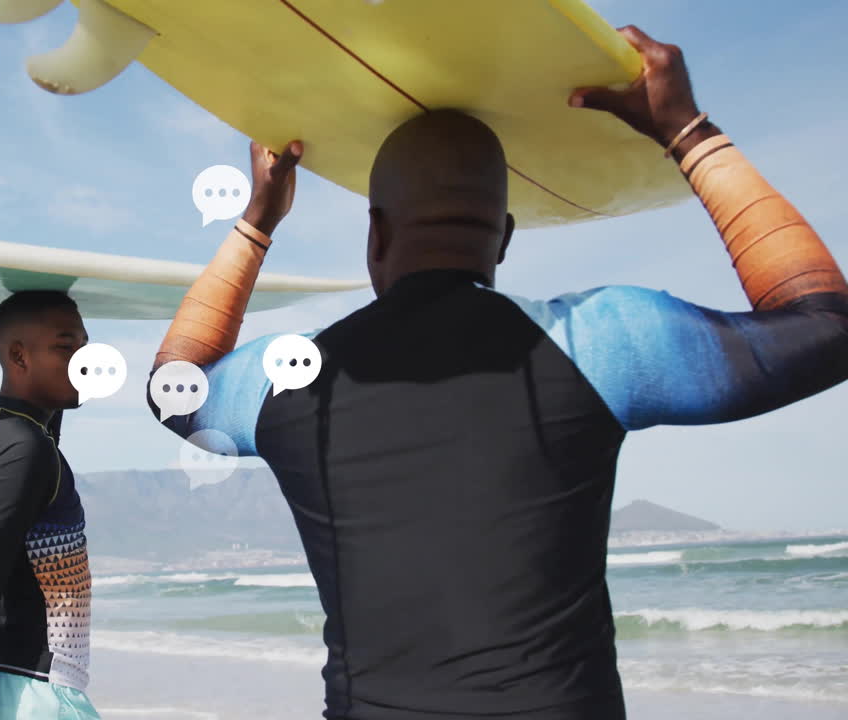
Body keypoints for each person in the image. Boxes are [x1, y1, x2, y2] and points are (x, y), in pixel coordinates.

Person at [146, 25, 848, 719]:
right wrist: (690, 132)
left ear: (377, 232)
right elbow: (826, 327)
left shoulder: (284, 382)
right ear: (504, 238)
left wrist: (256, 222)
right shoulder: (600, 341)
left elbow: (172, 386)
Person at [0, 290, 100, 719]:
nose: (83, 362)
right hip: (34, 698)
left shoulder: (0, 433)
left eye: (86, 347)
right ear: (19, 356)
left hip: (10, 689)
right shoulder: (23, 448)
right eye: (65, 348)